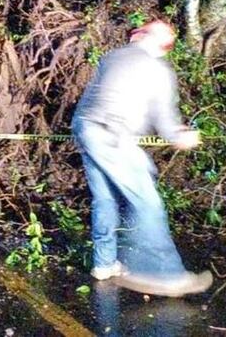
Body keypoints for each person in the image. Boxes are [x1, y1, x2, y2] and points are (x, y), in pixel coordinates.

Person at [72, 20, 212, 297]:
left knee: (106, 199)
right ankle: (165, 275)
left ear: (139, 35)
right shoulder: (156, 68)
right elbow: (165, 120)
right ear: (163, 45)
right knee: (149, 203)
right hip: (112, 136)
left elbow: (94, 97)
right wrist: (181, 137)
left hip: (86, 130)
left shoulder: (113, 56)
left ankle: (104, 263)